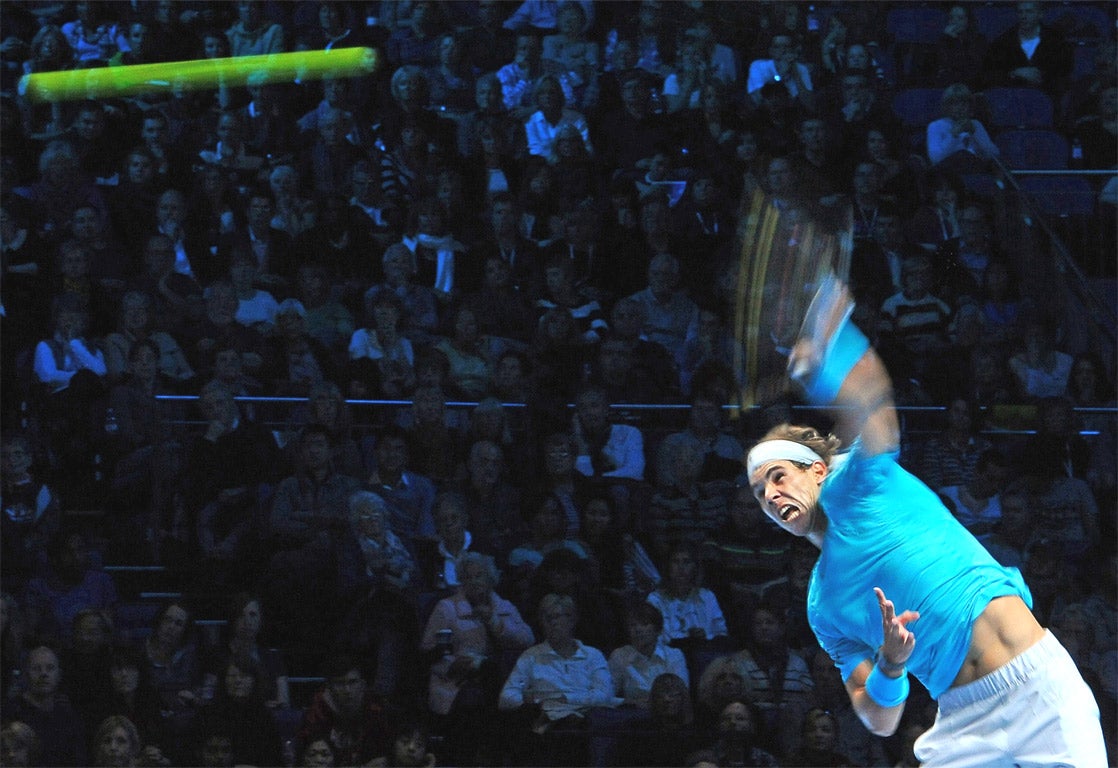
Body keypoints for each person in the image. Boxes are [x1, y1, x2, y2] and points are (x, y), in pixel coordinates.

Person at [744, 276, 1106, 764]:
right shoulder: (822, 605)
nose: (770, 493)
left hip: (1040, 689)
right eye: (759, 490)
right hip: (962, 724)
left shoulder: (856, 484)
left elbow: (873, 405)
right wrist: (892, 665)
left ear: (817, 470)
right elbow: (878, 717)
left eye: (778, 476)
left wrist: (826, 358)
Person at [419, 551, 533, 764]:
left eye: (479, 575)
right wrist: (454, 665)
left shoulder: (504, 607)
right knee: (475, 699)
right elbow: (428, 652)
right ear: (461, 580)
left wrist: (494, 621)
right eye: (468, 577)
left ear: (490, 579)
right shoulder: (447, 608)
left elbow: (527, 639)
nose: (474, 581)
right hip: (456, 683)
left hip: (497, 681)